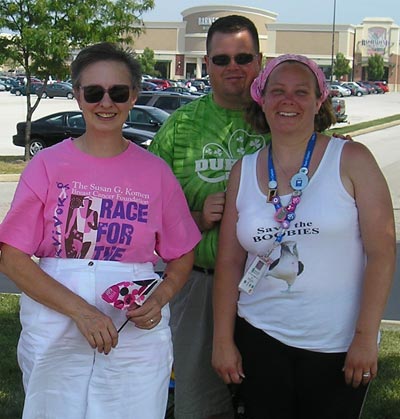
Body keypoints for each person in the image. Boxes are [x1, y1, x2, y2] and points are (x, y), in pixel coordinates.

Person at [0, 42, 201, 419]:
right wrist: (82, 312)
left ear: (134, 97)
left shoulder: (155, 172)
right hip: (55, 318)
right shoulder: (47, 165)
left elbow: (182, 252)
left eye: (118, 92)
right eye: (93, 92)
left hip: (134, 326)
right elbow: (12, 257)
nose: (105, 103)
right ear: (77, 95)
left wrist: (160, 298)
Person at [212, 53, 396, 419]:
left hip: (337, 344)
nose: (288, 100)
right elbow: (230, 262)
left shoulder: (352, 159)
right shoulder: (243, 171)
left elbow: (382, 252)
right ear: (261, 100)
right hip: (260, 336)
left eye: (301, 91)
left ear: (319, 101)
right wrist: (222, 340)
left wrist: (364, 337)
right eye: (277, 91)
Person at [148, 15, 269, 419]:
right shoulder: (181, 126)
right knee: (201, 405)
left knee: (272, 399)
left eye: (243, 56)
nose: (232, 67)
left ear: (260, 60)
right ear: (207, 62)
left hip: (273, 288)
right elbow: (147, 212)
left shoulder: (283, 119)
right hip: (199, 285)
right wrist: (197, 217)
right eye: (221, 59)